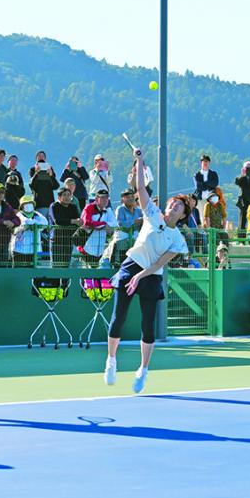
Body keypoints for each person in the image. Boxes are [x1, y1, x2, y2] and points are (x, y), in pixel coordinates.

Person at [104, 147, 191, 394]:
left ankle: (143, 369)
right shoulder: (153, 214)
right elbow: (140, 189)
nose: (172, 207)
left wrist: (140, 277)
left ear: (183, 216)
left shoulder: (178, 240)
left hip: (150, 275)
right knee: (118, 317)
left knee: (148, 325)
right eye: (172, 204)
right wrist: (140, 161)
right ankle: (111, 361)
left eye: (177, 207)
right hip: (131, 264)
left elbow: (158, 264)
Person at [79, 188, 116, 266]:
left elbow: (114, 224)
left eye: (107, 197)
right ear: (96, 199)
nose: (105, 199)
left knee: (96, 274)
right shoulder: (89, 207)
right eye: (102, 197)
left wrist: (103, 225)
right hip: (86, 248)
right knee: (86, 274)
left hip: (100, 250)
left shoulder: (108, 210)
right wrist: (104, 224)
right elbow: (87, 222)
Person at [10, 195, 49, 266]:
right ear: (22, 206)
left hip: (33, 250)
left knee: (32, 273)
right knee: (19, 272)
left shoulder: (37, 214)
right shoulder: (19, 215)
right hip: (20, 250)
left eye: (30, 203)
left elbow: (45, 222)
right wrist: (36, 225)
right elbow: (26, 222)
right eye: (26, 203)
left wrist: (34, 225)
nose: (29, 205)